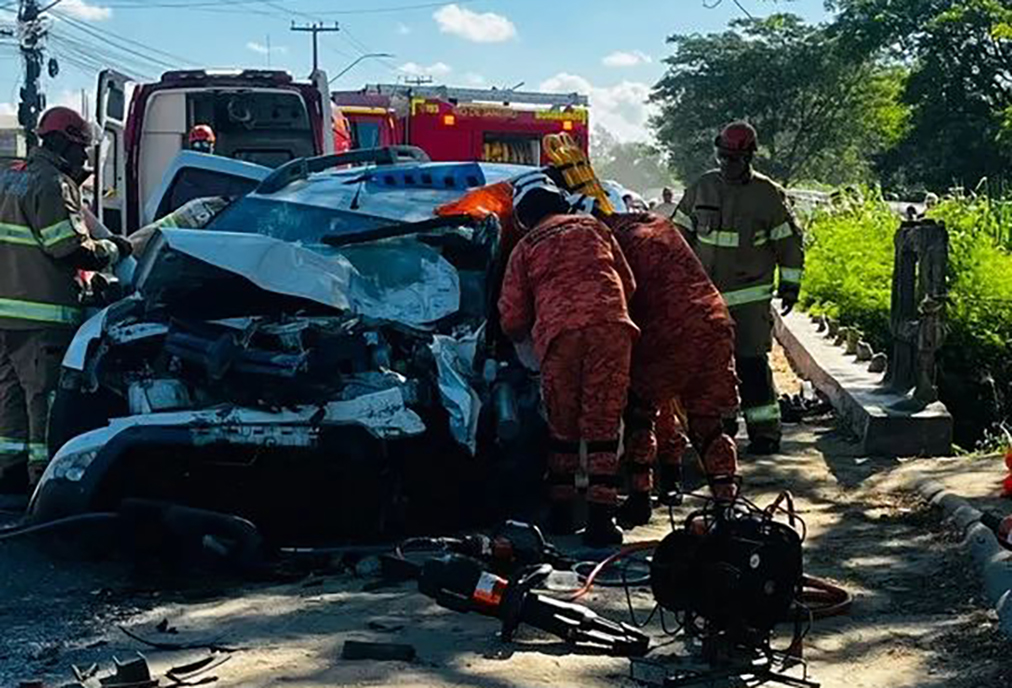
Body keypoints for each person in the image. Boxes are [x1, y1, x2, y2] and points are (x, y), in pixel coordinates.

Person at [498, 172, 638, 546]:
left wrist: (521, 344)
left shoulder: (525, 247)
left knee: (563, 427)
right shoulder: (594, 229)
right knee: (603, 425)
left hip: (560, 337)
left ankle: (561, 515)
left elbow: (512, 317)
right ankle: (600, 521)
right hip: (612, 328)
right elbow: (628, 283)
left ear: (525, 216)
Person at [0, 107, 131, 492]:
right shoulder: (53, 184)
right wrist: (114, 249)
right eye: (79, 149)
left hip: (5, 313)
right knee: (44, 399)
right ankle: (43, 483)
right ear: (59, 142)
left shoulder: (10, 177)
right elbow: (68, 249)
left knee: (8, 396)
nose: (84, 159)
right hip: (42, 315)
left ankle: (8, 474)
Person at [672, 122, 804, 455]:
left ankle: (765, 433)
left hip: (749, 302)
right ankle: (720, 431)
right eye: (722, 156)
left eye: (733, 158)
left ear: (748, 157)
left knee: (752, 366)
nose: (726, 164)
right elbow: (676, 239)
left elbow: (788, 244)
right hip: (706, 301)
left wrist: (790, 287)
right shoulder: (702, 189)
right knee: (711, 368)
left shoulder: (767, 195)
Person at [603, 212, 740, 526]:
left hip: (667, 331)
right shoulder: (658, 224)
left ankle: (639, 499)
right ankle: (726, 504)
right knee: (708, 421)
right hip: (714, 322)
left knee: (639, 413)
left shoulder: (608, 239)